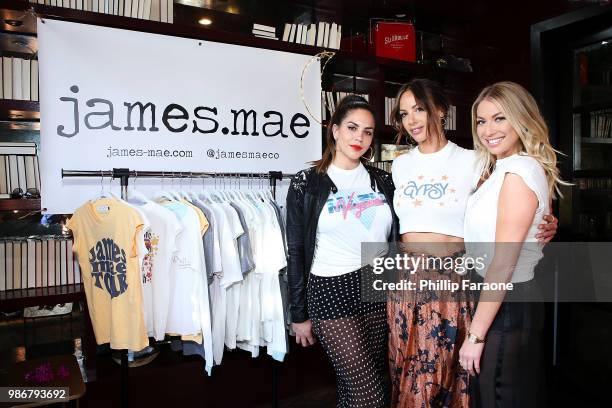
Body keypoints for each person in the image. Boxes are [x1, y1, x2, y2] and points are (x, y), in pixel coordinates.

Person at [387, 79, 558, 407]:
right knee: (412, 373)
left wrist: (546, 223)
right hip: (409, 280)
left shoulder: (477, 160)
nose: (411, 120)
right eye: (404, 113)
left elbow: (513, 205)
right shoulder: (399, 165)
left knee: (458, 374)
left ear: (439, 111)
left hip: (457, 278)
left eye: (419, 109)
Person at [286, 94, 398, 408]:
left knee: (358, 389)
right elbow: (295, 252)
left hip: (377, 286)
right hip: (331, 289)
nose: (359, 137)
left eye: (367, 131)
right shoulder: (306, 183)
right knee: (370, 395)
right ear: (335, 130)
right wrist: (298, 315)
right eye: (352, 128)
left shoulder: (384, 180)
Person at [460, 81, 564, 407]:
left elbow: (504, 264)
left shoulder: (518, 172)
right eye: (481, 120)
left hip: (508, 301)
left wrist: (475, 337)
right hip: (501, 299)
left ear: (521, 119)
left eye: (500, 118)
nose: (488, 129)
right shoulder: (501, 168)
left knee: (499, 396)